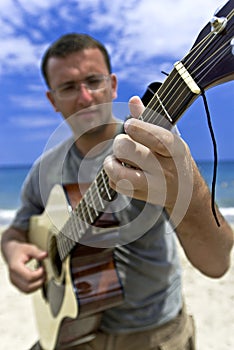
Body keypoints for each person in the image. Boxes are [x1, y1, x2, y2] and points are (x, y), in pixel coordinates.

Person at [1, 33, 233, 350]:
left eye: (93, 81)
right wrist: (13, 252)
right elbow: (16, 228)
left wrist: (187, 190)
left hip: (154, 336)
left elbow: (217, 263)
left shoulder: (150, 145)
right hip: (69, 334)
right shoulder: (45, 168)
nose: (84, 97)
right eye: (68, 87)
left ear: (112, 85)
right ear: (52, 100)